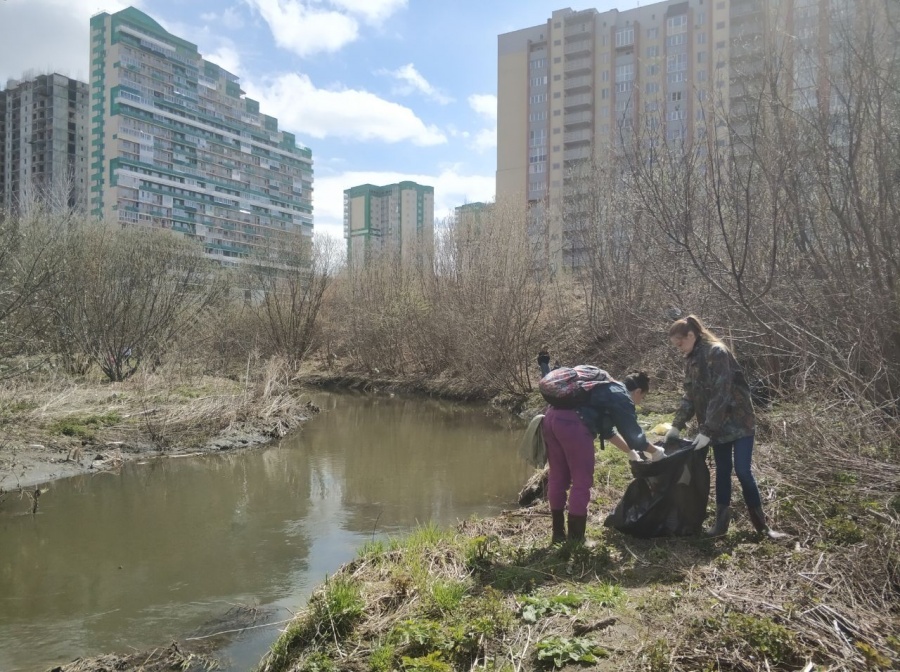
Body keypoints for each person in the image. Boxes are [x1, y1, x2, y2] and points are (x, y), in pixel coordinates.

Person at [666, 315, 787, 540]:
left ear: (691, 335)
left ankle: (762, 527)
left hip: (740, 422)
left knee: (742, 470)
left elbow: (721, 393)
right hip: (716, 427)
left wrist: (706, 430)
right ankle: (720, 526)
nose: (679, 349)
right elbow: (690, 396)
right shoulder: (691, 359)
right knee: (722, 471)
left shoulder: (717, 352)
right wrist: (676, 426)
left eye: (680, 343)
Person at [541, 368, 665, 545]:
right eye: (642, 397)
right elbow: (634, 436)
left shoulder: (601, 389)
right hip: (573, 425)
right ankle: (576, 540)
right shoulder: (621, 395)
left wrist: (630, 452)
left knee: (557, 476)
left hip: (550, 418)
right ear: (638, 391)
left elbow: (607, 432)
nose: (640, 402)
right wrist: (655, 451)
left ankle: (558, 535)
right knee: (581, 481)